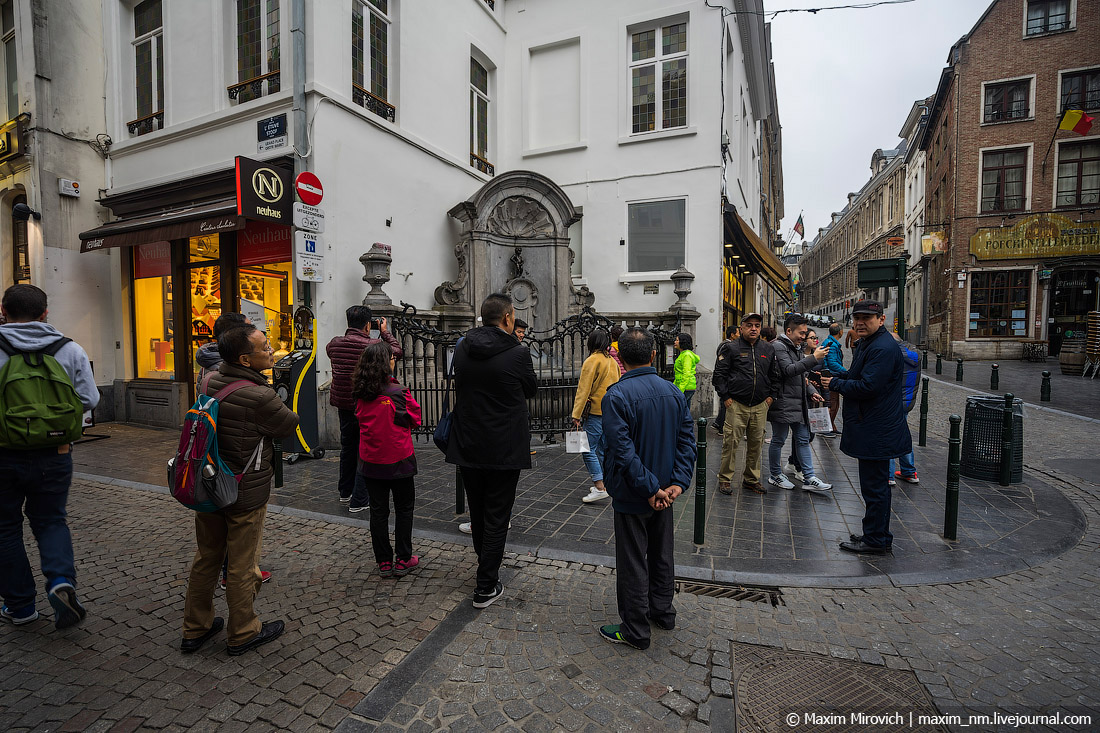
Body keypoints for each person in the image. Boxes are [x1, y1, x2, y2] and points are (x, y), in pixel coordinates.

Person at [181, 324, 299, 655]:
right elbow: (289, 424)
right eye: (266, 348)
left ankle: (195, 627)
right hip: (243, 489)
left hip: (208, 482)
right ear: (246, 359)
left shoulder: (209, 379)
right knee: (242, 563)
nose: (272, 350)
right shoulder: (260, 395)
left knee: (207, 556)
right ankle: (244, 630)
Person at [0, 285, 99, 628]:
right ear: (45, 313)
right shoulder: (69, 349)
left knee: (5, 529)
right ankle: (60, 581)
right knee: (51, 520)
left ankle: (21, 607)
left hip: (3, 454)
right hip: (55, 453)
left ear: (3, 311)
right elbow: (89, 399)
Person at [598, 328, 696, 650]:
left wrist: (653, 488)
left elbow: (623, 452)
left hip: (634, 493)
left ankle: (636, 630)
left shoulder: (616, 395)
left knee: (632, 561)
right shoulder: (672, 392)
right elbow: (687, 443)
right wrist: (675, 485)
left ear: (620, 358)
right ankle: (662, 611)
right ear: (654, 356)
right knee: (661, 553)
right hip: (663, 492)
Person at [446, 294, 537, 609]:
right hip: (503, 446)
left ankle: (485, 564)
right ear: (508, 318)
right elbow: (531, 389)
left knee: (479, 511)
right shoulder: (517, 353)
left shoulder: (462, 348)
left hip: (469, 442)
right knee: (498, 515)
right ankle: (486, 585)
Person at [821, 301, 912, 554]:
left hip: (877, 429)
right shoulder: (870, 343)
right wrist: (840, 378)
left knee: (875, 488)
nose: (860, 322)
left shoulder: (882, 348)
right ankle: (874, 533)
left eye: (867, 318)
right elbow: (858, 376)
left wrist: (836, 385)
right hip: (872, 426)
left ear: (881, 320)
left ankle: (877, 540)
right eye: (857, 318)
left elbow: (869, 387)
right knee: (873, 487)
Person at [352, 342, 422, 576]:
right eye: (392, 357)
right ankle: (403, 558)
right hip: (399, 458)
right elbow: (415, 418)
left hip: (371, 461)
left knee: (378, 512)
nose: (394, 360)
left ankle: (383, 560)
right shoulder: (398, 392)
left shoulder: (361, 393)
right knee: (404, 509)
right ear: (385, 362)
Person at [326, 305, 402, 507]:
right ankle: (360, 499)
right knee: (365, 449)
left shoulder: (334, 344)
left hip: (343, 403)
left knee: (348, 447)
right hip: (365, 402)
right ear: (368, 325)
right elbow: (397, 351)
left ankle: (345, 491)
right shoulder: (373, 345)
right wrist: (385, 332)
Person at [767, 315, 832, 493]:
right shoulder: (778, 346)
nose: (804, 336)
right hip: (782, 402)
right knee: (779, 439)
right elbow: (789, 370)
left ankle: (809, 477)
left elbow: (801, 376)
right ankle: (774, 474)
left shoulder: (795, 347)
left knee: (803, 439)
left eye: (805, 333)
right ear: (789, 331)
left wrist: (812, 392)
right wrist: (814, 358)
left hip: (798, 402)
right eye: (801, 333)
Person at [712, 313, 775, 495]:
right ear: (741, 328)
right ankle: (725, 479)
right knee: (731, 443)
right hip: (736, 404)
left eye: (757, 325)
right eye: (749, 325)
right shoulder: (731, 348)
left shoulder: (768, 349)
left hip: (760, 405)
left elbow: (774, 375)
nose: (753, 328)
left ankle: (751, 479)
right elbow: (719, 375)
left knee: (756, 443)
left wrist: (771, 397)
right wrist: (725, 397)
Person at [573, 330, 620, 504]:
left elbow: (583, 390)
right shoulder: (611, 361)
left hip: (595, 412)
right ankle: (605, 484)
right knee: (602, 449)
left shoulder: (592, 361)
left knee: (587, 448)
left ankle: (599, 486)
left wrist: (576, 414)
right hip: (610, 412)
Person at [784, 329, 822, 481]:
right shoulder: (798, 355)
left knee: (808, 435)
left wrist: (814, 388)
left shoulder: (819, 355)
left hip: (811, 399)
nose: (814, 340)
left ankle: (795, 462)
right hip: (796, 401)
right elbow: (793, 372)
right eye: (811, 337)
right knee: (801, 436)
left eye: (815, 337)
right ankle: (800, 468)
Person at [888, 332, 920, 486]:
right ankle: (908, 471)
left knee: (888, 435)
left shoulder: (893, 355)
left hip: (892, 402)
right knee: (903, 434)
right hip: (907, 402)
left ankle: (888, 475)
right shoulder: (914, 355)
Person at [196, 312, 249, 381]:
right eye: (249, 328)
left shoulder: (211, 361)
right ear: (235, 335)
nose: (254, 332)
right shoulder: (229, 368)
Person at [820, 323, 848, 438]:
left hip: (833, 374)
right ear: (840, 332)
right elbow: (832, 363)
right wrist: (846, 372)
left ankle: (832, 426)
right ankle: (828, 427)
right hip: (831, 375)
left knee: (834, 402)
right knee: (832, 402)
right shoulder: (831, 344)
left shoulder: (831, 343)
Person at [711, 325, 739, 433]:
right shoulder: (728, 346)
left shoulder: (724, 344)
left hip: (723, 380)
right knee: (725, 404)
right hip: (725, 380)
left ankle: (718, 423)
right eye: (737, 333)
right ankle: (721, 426)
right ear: (732, 335)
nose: (739, 335)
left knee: (724, 404)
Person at [672, 333, 700, 410]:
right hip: (686, 387)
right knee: (685, 411)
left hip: (685, 387)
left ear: (683, 342)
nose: (675, 342)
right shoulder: (684, 354)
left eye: (677, 340)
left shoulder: (686, 355)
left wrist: (680, 389)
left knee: (681, 411)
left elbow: (686, 373)